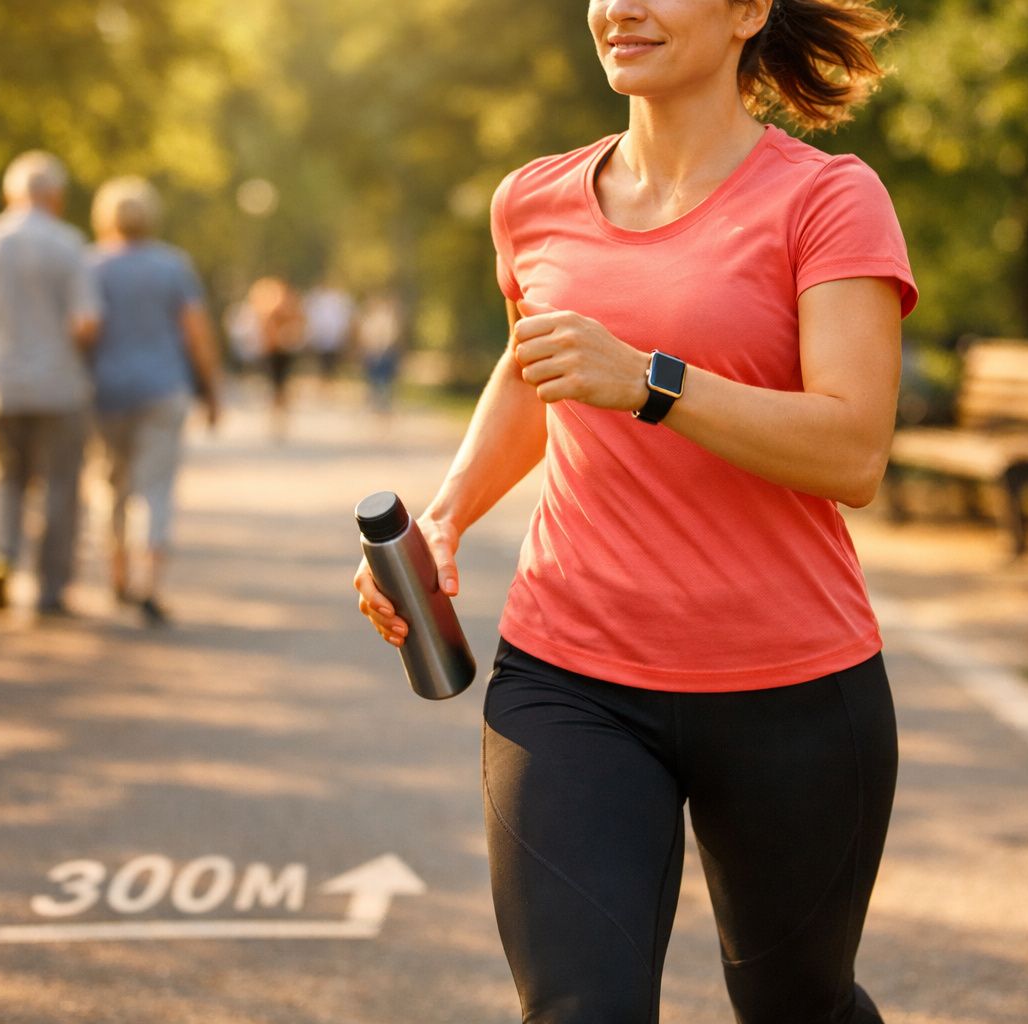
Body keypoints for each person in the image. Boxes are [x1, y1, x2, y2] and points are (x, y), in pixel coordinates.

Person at [354, 1, 918, 1021]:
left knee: (799, 1005)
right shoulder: (532, 200)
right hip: (570, 678)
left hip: (790, 688)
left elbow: (852, 447)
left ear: (750, 10)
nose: (620, 6)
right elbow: (537, 374)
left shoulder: (831, 199)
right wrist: (445, 517)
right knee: (582, 1009)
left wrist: (656, 383)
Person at [0, 150, 99, 618]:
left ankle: (1, 555)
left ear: (10, 193)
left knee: (5, 479)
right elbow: (86, 322)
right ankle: (51, 590)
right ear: (55, 196)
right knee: (58, 488)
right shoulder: (70, 244)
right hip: (60, 388)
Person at [87, 176, 221, 628]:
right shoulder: (173, 266)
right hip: (164, 390)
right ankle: (150, 586)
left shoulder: (91, 266)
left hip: (105, 394)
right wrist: (212, 390)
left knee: (112, 488)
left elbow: (82, 331)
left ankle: (118, 576)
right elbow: (196, 334)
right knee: (156, 490)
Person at [247, 275, 304, 441]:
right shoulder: (270, 306)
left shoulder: (289, 306)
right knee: (276, 386)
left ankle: (280, 418)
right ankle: (276, 418)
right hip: (272, 351)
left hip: (284, 351)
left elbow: (299, 324)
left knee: (281, 386)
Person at [354, 289, 403, 417]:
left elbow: (389, 336)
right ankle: (377, 404)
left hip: (382, 352)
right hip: (373, 352)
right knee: (374, 380)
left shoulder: (384, 319)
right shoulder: (373, 319)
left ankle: (382, 405)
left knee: (382, 380)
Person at [303, 275, 355, 391]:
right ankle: (324, 384)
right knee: (322, 362)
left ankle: (329, 384)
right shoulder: (316, 298)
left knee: (332, 362)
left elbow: (345, 317)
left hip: (334, 337)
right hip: (321, 337)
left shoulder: (338, 298)